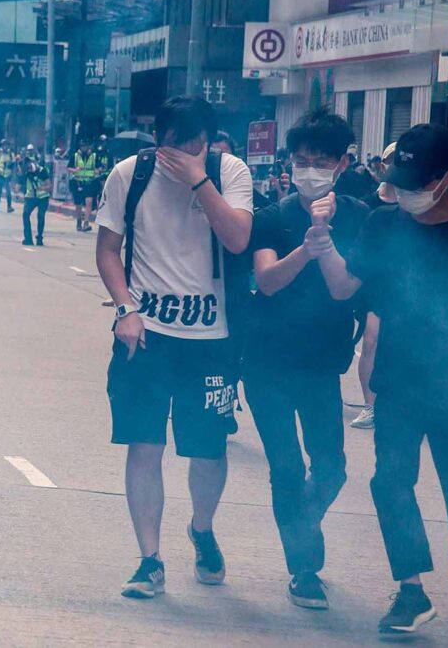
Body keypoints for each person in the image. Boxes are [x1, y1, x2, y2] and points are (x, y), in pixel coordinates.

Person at [317, 124, 448, 634]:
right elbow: (344, 288)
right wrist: (321, 246)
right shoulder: (384, 226)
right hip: (400, 382)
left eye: (415, 181)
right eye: (399, 178)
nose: (403, 190)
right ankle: (410, 590)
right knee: (390, 481)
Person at [94, 96, 253, 599]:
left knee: (207, 450)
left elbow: (237, 240)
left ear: (208, 143)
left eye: (195, 147)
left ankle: (202, 530)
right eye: (173, 148)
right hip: (146, 335)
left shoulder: (231, 174)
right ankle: (149, 559)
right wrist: (125, 309)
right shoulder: (129, 174)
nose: (182, 156)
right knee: (145, 443)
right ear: (157, 140)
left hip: (212, 339)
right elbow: (106, 249)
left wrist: (199, 180)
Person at [242, 110, 367, 609]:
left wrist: (329, 239)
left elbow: (343, 289)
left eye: (320, 161)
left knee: (332, 467)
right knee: (288, 468)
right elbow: (267, 281)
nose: (309, 170)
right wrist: (308, 247)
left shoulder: (360, 217)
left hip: (321, 363)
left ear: (342, 163)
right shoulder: (271, 217)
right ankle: (304, 567)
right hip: (267, 361)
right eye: (301, 161)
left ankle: (299, 525)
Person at [350, 140, 397, 430]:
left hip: (405, 287)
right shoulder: (368, 203)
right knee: (371, 339)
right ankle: (371, 405)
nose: (394, 167)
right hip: (372, 285)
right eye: (390, 161)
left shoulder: (415, 204)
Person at [20, 149, 52, 246]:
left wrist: (41, 188)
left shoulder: (41, 171)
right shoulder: (25, 172)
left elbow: (49, 186)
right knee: (25, 214)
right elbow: (19, 185)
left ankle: (39, 237)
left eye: (29, 162)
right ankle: (28, 238)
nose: (28, 165)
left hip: (43, 197)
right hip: (30, 197)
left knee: (41, 216)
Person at [70, 138, 101, 232]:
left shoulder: (94, 156)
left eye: (86, 146)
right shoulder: (75, 156)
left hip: (89, 182)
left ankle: (86, 223)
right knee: (78, 204)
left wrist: (98, 170)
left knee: (89, 202)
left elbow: (100, 167)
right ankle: (79, 221)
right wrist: (75, 170)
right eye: (82, 146)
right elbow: (68, 168)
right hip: (78, 182)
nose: (84, 148)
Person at [0, 140, 15, 213]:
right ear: (1, 145)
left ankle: (9, 207)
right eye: (4, 145)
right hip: (0, 174)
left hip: (7, 175)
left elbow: (13, 164)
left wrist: (10, 167)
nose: (5, 146)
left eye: (7, 145)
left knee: (8, 192)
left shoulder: (11, 154)